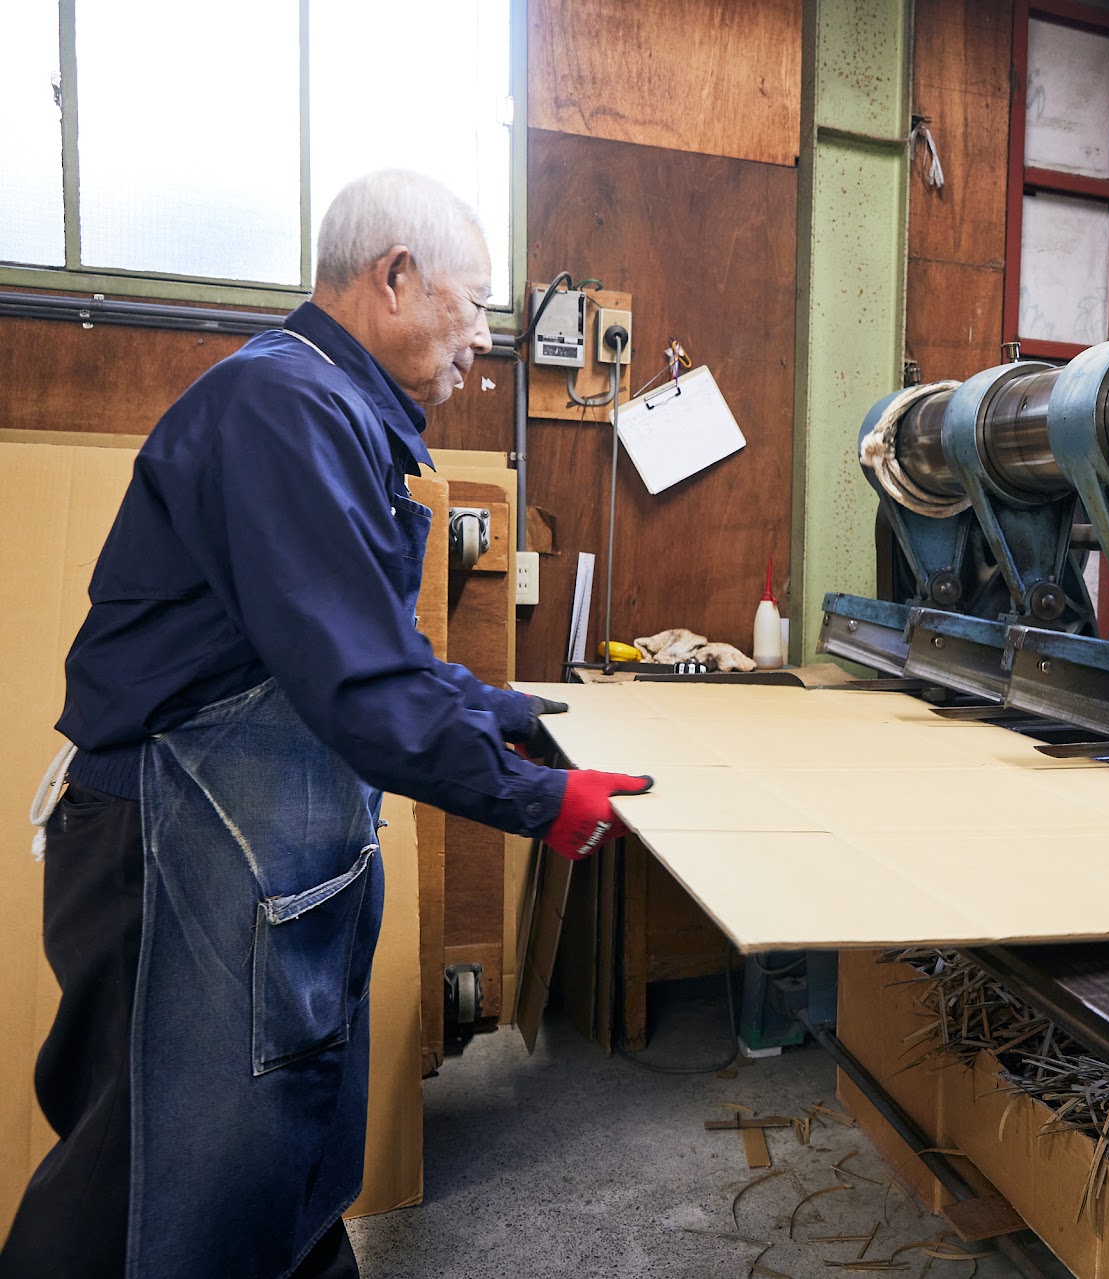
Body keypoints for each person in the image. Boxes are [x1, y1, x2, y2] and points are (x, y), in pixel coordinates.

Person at [1, 170, 652, 1279]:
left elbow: (370, 647)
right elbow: (353, 683)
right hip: (176, 840)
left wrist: (510, 717)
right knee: (151, 1178)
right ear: (395, 278)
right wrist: (539, 802)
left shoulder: (335, 408)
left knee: (274, 1155)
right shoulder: (283, 409)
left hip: (246, 846)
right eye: (474, 303)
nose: (483, 343)